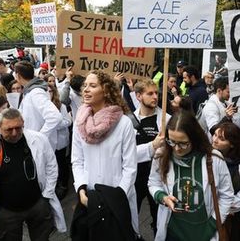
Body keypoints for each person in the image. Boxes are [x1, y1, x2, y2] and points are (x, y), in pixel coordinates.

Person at [71, 70, 139, 240]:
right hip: (89, 198)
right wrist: (80, 189)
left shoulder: (123, 123)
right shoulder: (79, 122)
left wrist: (117, 197)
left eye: (92, 86)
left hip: (118, 198)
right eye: (85, 85)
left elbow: (130, 166)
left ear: (106, 91)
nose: (86, 89)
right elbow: (77, 160)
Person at [148, 110, 234, 241]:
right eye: (172, 142)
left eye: (183, 143)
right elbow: (153, 183)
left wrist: (212, 224)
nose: (176, 148)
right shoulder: (161, 155)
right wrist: (162, 197)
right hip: (173, 233)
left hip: (205, 233)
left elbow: (227, 195)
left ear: (194, 138)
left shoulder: (214, 159)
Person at [0, 108, 66, 240]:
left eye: (18, 128)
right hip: (7, 211)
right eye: (9, 129)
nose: (14, 133)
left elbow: (51, 166)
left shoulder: (38, 139)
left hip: (38, 205)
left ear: (23, 123)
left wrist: (46, 196)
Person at [133, 78, 169, 236]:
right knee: (131, 214)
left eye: (156, 93)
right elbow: (127, 154)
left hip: (158, 177)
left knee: (159, 217)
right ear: (138, 96)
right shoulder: (128, 120)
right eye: (150, 93)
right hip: (135, 177)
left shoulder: (166, 119)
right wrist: (152, 146)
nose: (155, 96)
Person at [14, 61, 62, 150]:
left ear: (18, 76)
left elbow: (55, 117)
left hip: (39, 147)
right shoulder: (30, 91)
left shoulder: (36, 92)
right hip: (34, 144)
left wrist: (40, 137)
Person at [212, 122, 240, 241]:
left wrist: (226, 206)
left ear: (232, 144)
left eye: (221, 138)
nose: (215, 140)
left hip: (232, 218)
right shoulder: (208, 157)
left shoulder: (237, 165)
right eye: (215, 135)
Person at [48, 84, 72, 200]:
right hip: (47, 142)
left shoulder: (60, 106)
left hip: (59, 142)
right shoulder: (39, 107)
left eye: (50, 91)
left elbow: (68, 121)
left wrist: (55, 124)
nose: (48, 94)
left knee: (61, 163)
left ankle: (63, 185)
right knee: (51, 164)